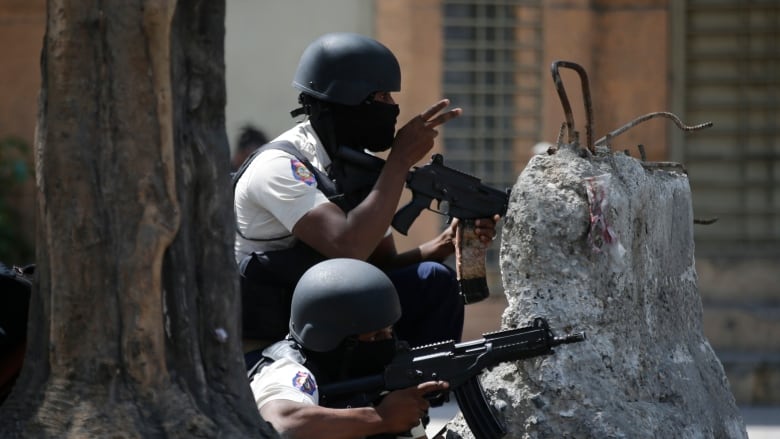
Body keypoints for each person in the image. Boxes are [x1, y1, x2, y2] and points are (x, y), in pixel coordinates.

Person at [234, 32, 499, 359]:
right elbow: (348, 246)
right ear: (347, 100)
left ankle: (414, 397)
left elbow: (381, 265)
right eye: (382, 96)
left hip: (329, 316)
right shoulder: (281, 166)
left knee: (433, 281)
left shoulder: (351, 167)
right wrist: (399, 161)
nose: (394, 108)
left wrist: (444, 244)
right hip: (273, 337)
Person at [249, 258, 448, 439]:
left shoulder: (374, 380)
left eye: (389, 332)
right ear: (336, 341)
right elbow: (282, 424)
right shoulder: (288, 370)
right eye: (375, 336)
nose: (388, 343)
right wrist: (382, 417)